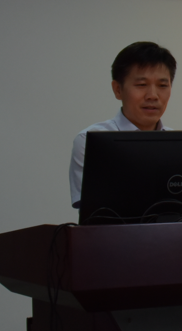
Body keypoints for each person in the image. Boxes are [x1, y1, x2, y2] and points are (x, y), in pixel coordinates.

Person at [69, 41, 176, 209]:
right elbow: (94, 212)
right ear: (118, 89)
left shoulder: (178, 143)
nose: (153, 95)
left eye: (162, 85)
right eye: (141, 85)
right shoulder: (90, 141)